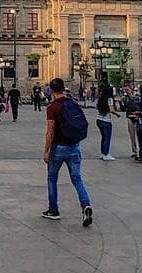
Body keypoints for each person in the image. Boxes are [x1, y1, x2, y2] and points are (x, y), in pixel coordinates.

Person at [42, 78, 93, 226]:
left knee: (52, 178)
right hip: (74, 146)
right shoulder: (73, 103)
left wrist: (46, 150)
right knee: (77, 179)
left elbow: (50, 131)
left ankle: (53, 210)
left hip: (58, 148)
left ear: (51, 90)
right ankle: (86, 205)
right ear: (64, 88)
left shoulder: (52, 107)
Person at [95, 79, 116, 161]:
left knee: (103, 137)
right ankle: (106, 154)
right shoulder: (109, 99)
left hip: (99, 119)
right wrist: (117, 114)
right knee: (107, 137)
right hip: (106, 120)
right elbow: (111, 110)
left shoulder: (101, 99)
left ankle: (103, 153)